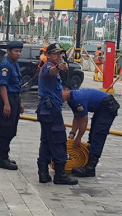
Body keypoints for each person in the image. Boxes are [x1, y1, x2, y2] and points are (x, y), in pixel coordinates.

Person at [36, 43, 78, 185]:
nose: (59, 56)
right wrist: (58, 67)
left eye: (60, 53)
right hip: (51, 110)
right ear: (48, 55)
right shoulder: (48, 67)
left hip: (48, 109)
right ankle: (60, 174)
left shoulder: (52, 67)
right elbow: (50, 71)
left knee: (47, 141)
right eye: (55, 53)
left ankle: (43, 173)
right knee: (59, 139)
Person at [62, 88, 119, 177]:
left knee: (98, 135)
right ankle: (87, 162)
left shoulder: (77, 99)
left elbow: (84, 120)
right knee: (92, 135)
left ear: (66, 90)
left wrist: (78, 138)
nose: (59, 96)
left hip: (108, 107)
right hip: (100, 109)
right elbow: (77, 117)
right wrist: (72, 133)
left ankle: (90, 168)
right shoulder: (71, 100)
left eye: (60, 93)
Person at [0, 41, 24, 170]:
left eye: (20, 51)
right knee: (6, 129)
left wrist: (20, 102)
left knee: (12, 129)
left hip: (15, 99)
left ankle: (5, 156)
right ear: (9, 52)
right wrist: (7, 104)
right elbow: (3, 85)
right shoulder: (5, 65)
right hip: (7, 99)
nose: (18, 53)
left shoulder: (15, 65)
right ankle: (1, 158)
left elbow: (17, 85)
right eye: (16, 51)